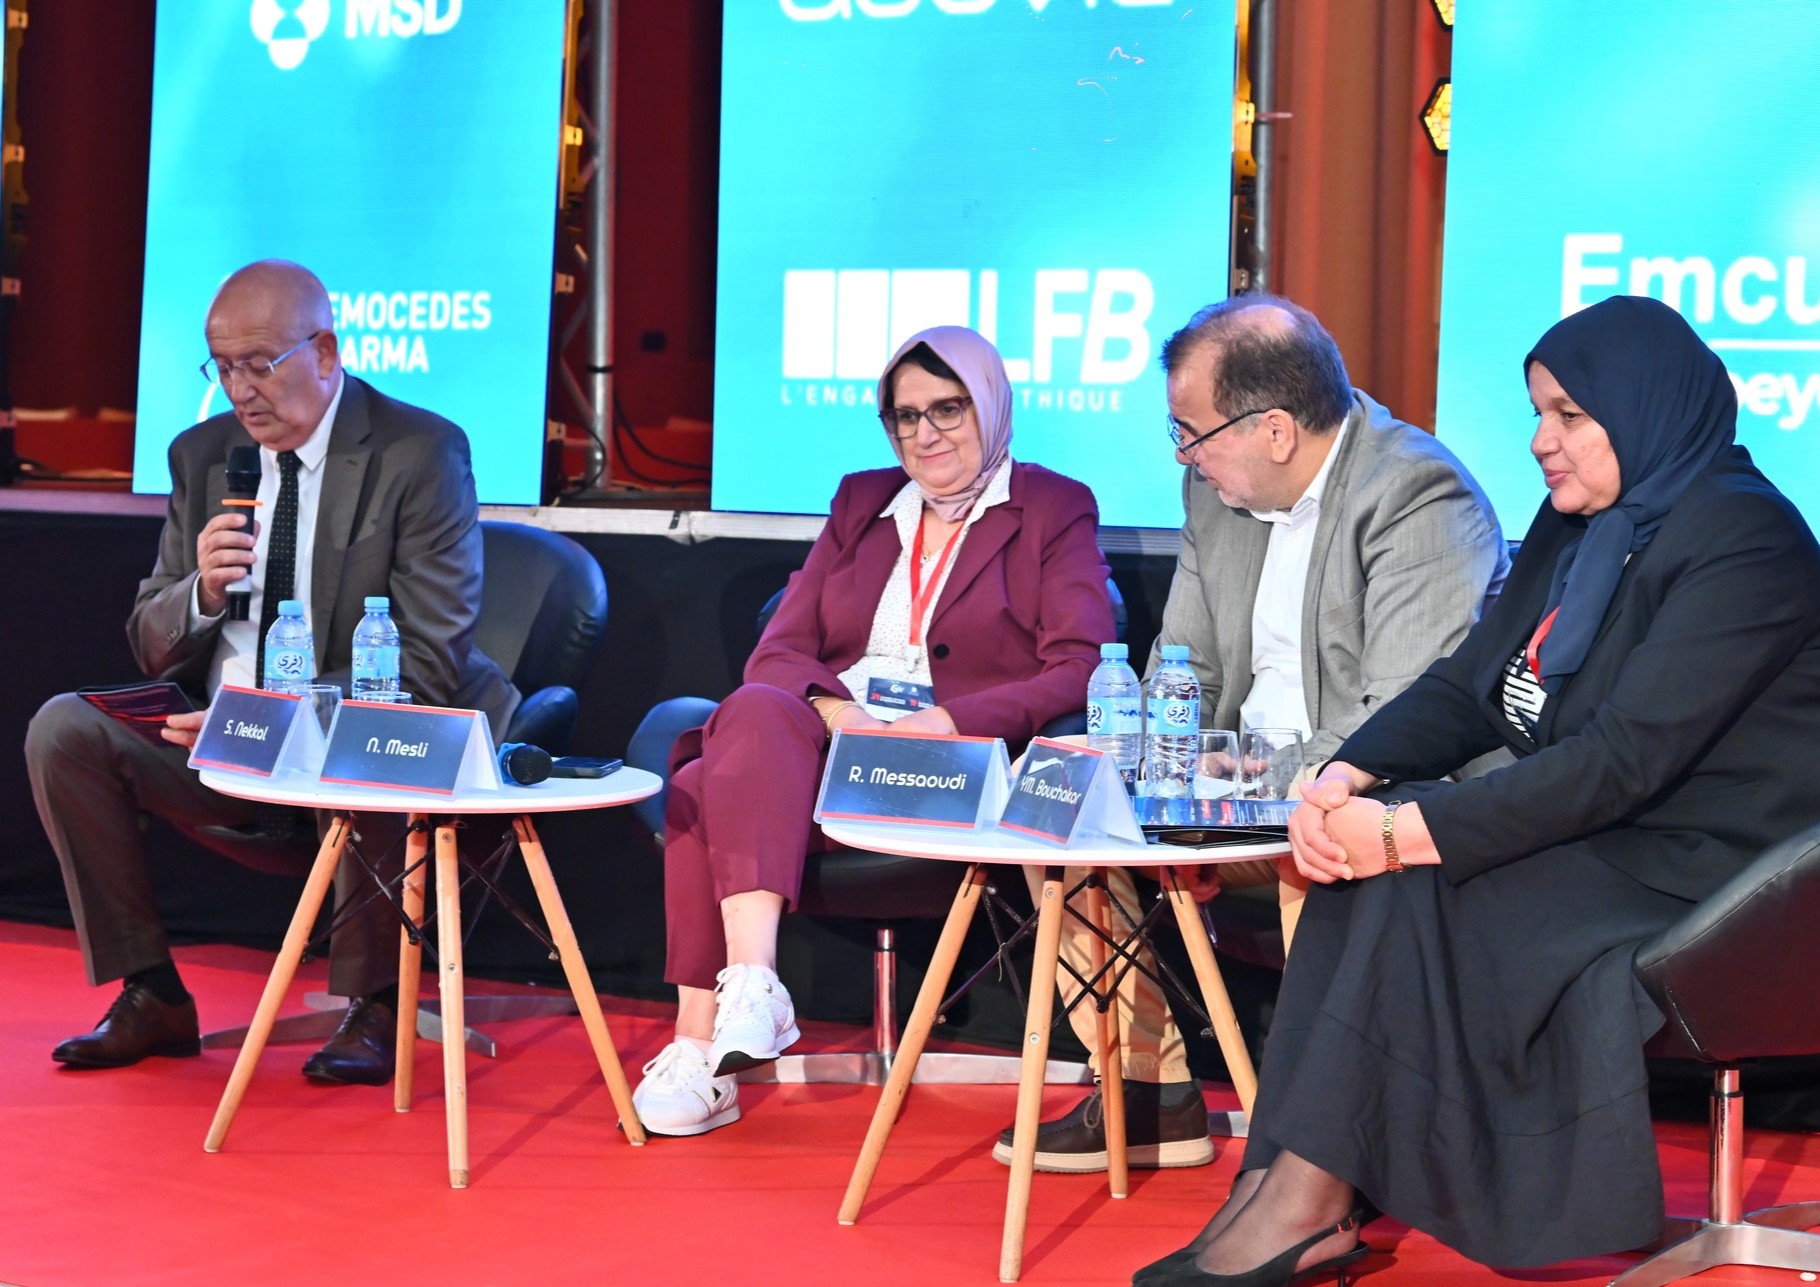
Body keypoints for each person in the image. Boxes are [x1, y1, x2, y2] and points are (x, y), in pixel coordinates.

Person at [1133, 294, 1820, 1285]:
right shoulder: (1583, 525)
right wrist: (1343, 775)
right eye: (1536, 413)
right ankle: (1291, 1181)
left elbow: (1621, 759)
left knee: (1418, 883)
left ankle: (1310, 1199)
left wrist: (1400, 832)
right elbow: (1466, 683)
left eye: (1568, 414)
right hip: (1620, 833)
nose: (1538, 441)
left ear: (1642, 407)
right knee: (1370, 883)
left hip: (1729, 869)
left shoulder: (1743, 537)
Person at [1001, 295, 1509, 1174]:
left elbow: (1398, 719)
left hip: (1370, 794)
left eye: (1190, 432)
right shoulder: (1214, 492)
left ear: (1274, 430)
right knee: (1068, 816)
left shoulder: (1416, 495)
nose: (1182, 455)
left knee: (1322, 831)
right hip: (1233, 792)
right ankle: (1148, 1088)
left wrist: (1231, 788)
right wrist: (1138, 771)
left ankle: (1321, 1146)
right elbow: (1184, 672)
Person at [26, 260, 517, 1086]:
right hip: (222, 739)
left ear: (325, 352)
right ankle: (150, 991)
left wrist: (276, 721)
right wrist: (201, 593)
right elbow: (150, 641)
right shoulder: (205, 455)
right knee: (64, 730)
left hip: (338, 728)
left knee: (373, 736)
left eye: (258, 364)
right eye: (222, 367)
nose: (239, 390)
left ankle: (372, 1001)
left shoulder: (419, 452)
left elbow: (427, 659)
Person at [631, 324, 1115, 1137]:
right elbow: (778, 650)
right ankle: (751, 985)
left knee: (698, 784)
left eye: (947, 409)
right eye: (904, 416)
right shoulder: (863, 501)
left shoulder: (1051, 507)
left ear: (990, 404)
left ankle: (699, 1041)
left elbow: (1078, 665)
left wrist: (949, 719)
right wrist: (838, 714)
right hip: (833, 747)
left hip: (947, 761)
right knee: (756, 705)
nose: (925, 434)